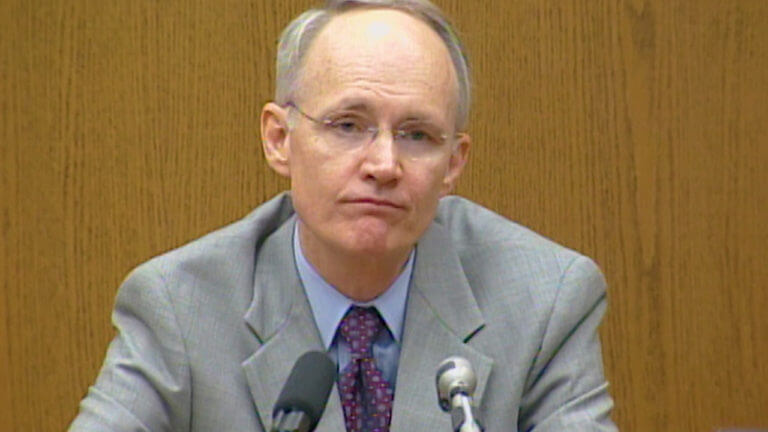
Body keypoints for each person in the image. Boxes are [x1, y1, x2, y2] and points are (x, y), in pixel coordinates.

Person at [70, 0, 618, 431]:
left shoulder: (547, 299)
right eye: (348, 125)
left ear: (454, 163)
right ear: (279, 139)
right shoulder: (179, 309)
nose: (384, 164)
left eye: (418, 136)